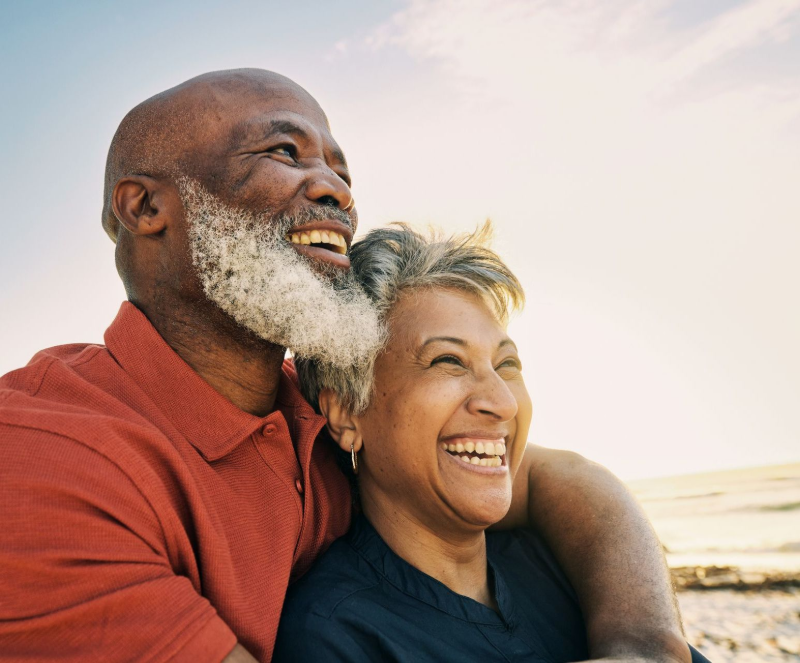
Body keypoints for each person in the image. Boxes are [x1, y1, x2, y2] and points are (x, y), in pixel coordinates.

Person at [0, 69, 688, 663]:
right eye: (284, 151)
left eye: (341, 170)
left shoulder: (317, 404)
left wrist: (645, 640)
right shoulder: (40, 463)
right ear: (146, 206)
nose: (335, 190)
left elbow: (552, 476)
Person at [276, 224, 708, 662]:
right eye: (448, 361)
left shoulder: (570, 567)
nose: (502, 402)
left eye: (507, 364)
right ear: (346, 413)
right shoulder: (335, 638)